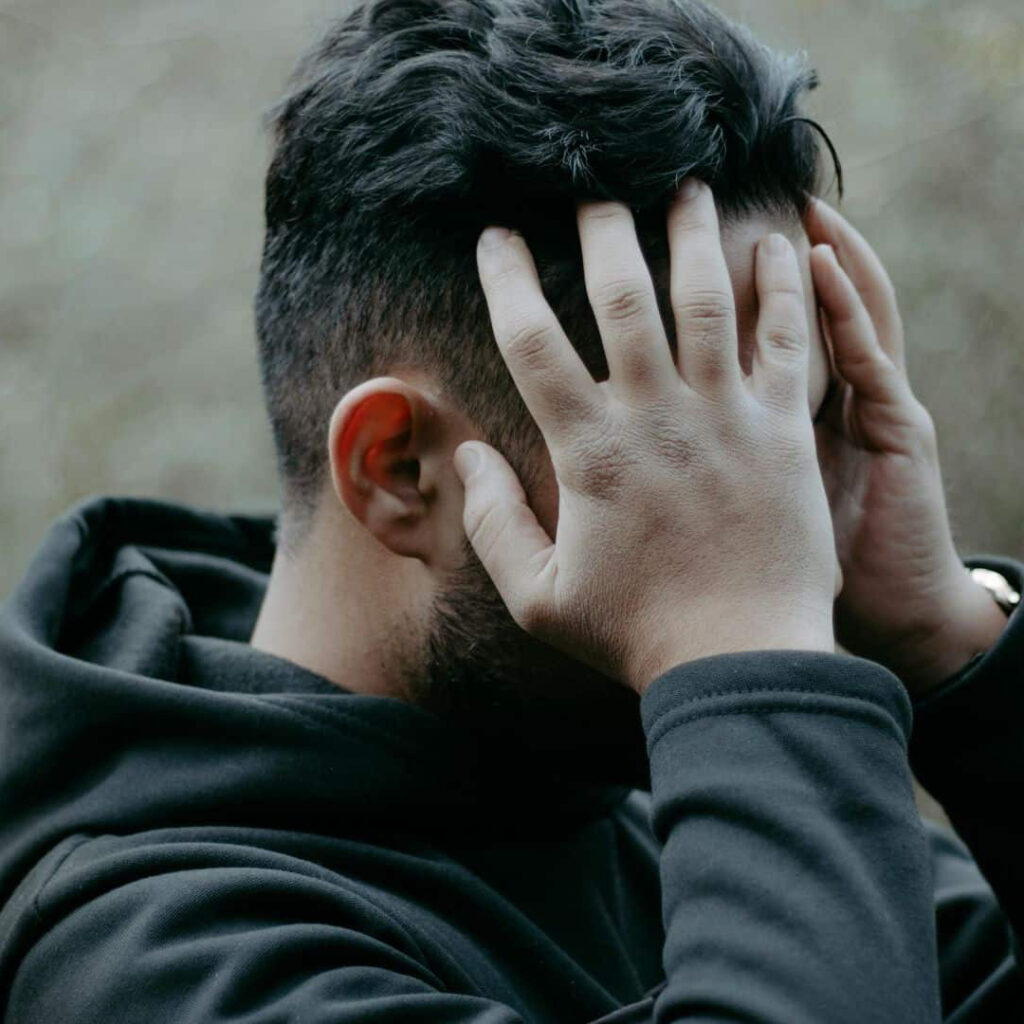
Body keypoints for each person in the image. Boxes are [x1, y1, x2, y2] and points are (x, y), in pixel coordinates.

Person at [0, 0, 1020, 1020]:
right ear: (401, 470)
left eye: (784, 435)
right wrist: (748, 652)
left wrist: (950, 641)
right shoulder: (155, 959)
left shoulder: (660, 772)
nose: (775, 526)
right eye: (692, 446)